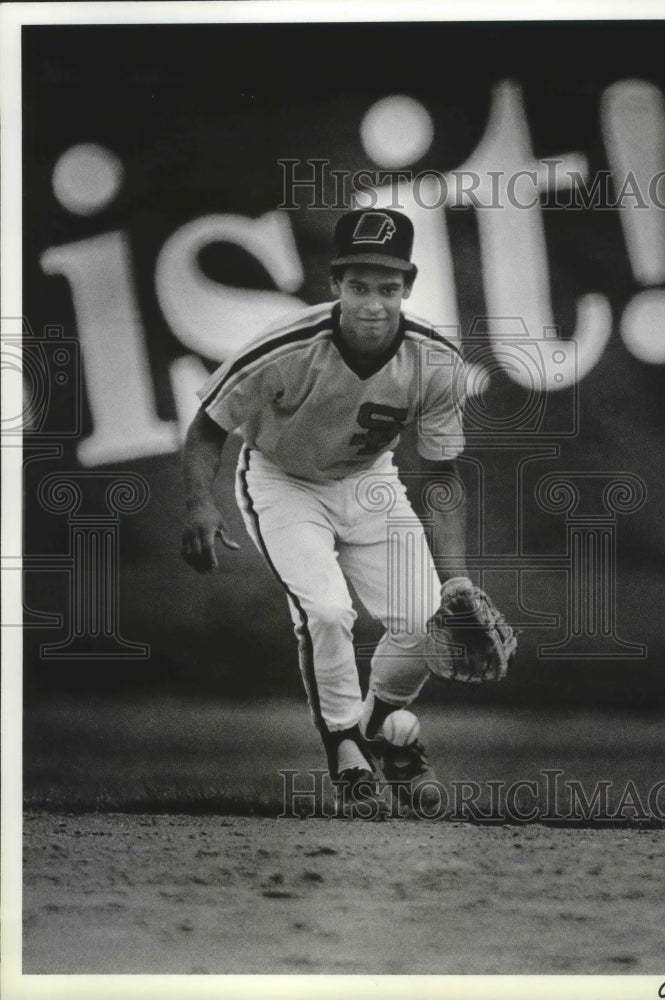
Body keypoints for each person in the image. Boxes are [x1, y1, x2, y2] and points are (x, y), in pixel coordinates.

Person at [181, 208, 469, 817]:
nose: (373, 302)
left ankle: (383, 737)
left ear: (409, 287)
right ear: (337, 284)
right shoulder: (285, 350)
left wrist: (459, 578)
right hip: (282, 481)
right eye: (359, 285)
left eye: (387, 287)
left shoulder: (436, 363)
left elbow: (442, 475)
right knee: (328, 610)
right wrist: (200, 501)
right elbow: (208, 428)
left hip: (369, 483)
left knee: (426, 622)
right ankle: (342, 745)